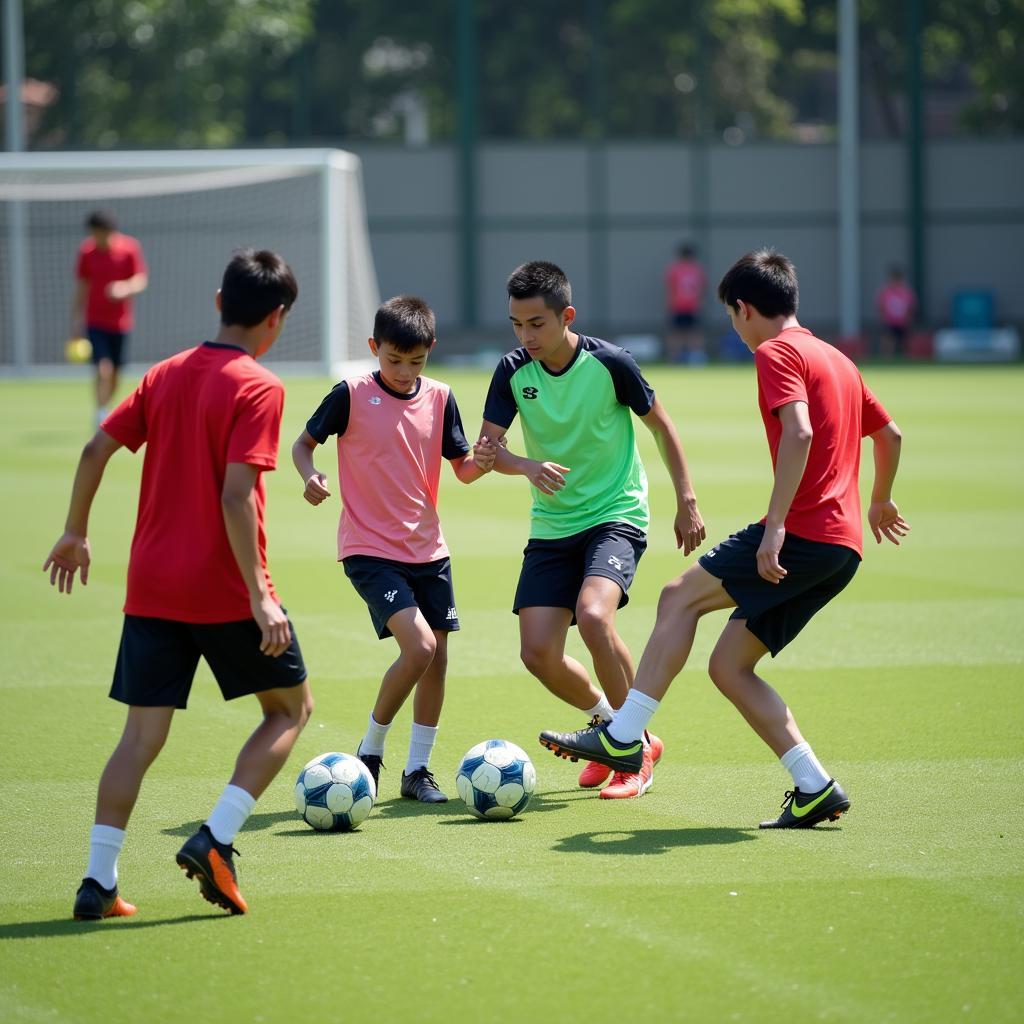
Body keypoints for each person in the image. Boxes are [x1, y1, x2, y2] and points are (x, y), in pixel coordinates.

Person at [540, 249, 909, 827]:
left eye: (733, 318)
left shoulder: (778, 352)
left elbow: (800, 431)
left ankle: (624, 736)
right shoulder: (837, 357)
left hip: (803, 534)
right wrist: (881, 497)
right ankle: (814, 787)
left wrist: (777, 524)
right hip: (844, 548)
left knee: (677, 596)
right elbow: (890, 435)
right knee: (730, 666)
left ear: (743, 309)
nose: (737, 331)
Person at [45, 249, 312, 920]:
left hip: (152, 587)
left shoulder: (163, 373)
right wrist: (259, 596)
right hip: (223, 590)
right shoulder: (260, 386)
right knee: (289, 710)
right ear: (276, 319)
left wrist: (75, 531)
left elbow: (94, 449)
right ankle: (216, 839)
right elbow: (235, 496)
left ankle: (97, 880)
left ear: (219, 303)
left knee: (139, 739)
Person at [477, 260, 706, 800]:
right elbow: (491, 451)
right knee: (537, 653)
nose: (525, 335)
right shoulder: (511, 370)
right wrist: (522, 465)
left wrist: (687, 500)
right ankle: (617, 729)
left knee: (594, 615)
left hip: (615, 514)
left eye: (536, 323)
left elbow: (662, 426)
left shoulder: (611, 363)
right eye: (516, 323)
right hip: (552, 523)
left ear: (566, 316)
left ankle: (632, 756)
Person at [292, 296, 496, 804]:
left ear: (431, 351)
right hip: (369, 549)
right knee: (420, 647)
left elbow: (463, 469)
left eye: (417, 361)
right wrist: (309, 474)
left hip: (430, 549)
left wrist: (485, 462)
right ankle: (371, 751)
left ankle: (417, 770)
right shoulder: (351, 394)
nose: (405, 372)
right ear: (373, 348)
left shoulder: (442, 396)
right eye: (394, 360)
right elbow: (302, 444)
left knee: (439, 657)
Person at [71, 209, 149, 425]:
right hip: (94, 321)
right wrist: (76, 321)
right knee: (103, 369)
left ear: (110, 231)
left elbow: (141, 279)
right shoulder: (87, 252)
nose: (97, 238)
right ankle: (100, 412)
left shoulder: (129, 248)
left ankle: (106, 407)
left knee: (115, 372)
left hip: (121, 323)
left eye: (100, 233)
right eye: (93, 233)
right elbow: (82, 287)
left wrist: (124, 288)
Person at [664, 243, 707, 365]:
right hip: (693, 305)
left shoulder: (675, 269)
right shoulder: (696, 269)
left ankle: (674, 357)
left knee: (677, 332)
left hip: (678, 305)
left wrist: (669, 304)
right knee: (693, 332)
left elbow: (670, 288)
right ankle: (696, 357)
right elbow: (702, 287)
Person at [876, 265, 916, 359]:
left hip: (903, 321)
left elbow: (911, 306)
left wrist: (909, 318)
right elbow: (881, 305)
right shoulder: (886, 292)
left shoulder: (906, 292)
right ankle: (887, 358)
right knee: (888, 340)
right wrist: (883, 317)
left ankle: (905, 357)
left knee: (905, 340)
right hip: (889, 321)